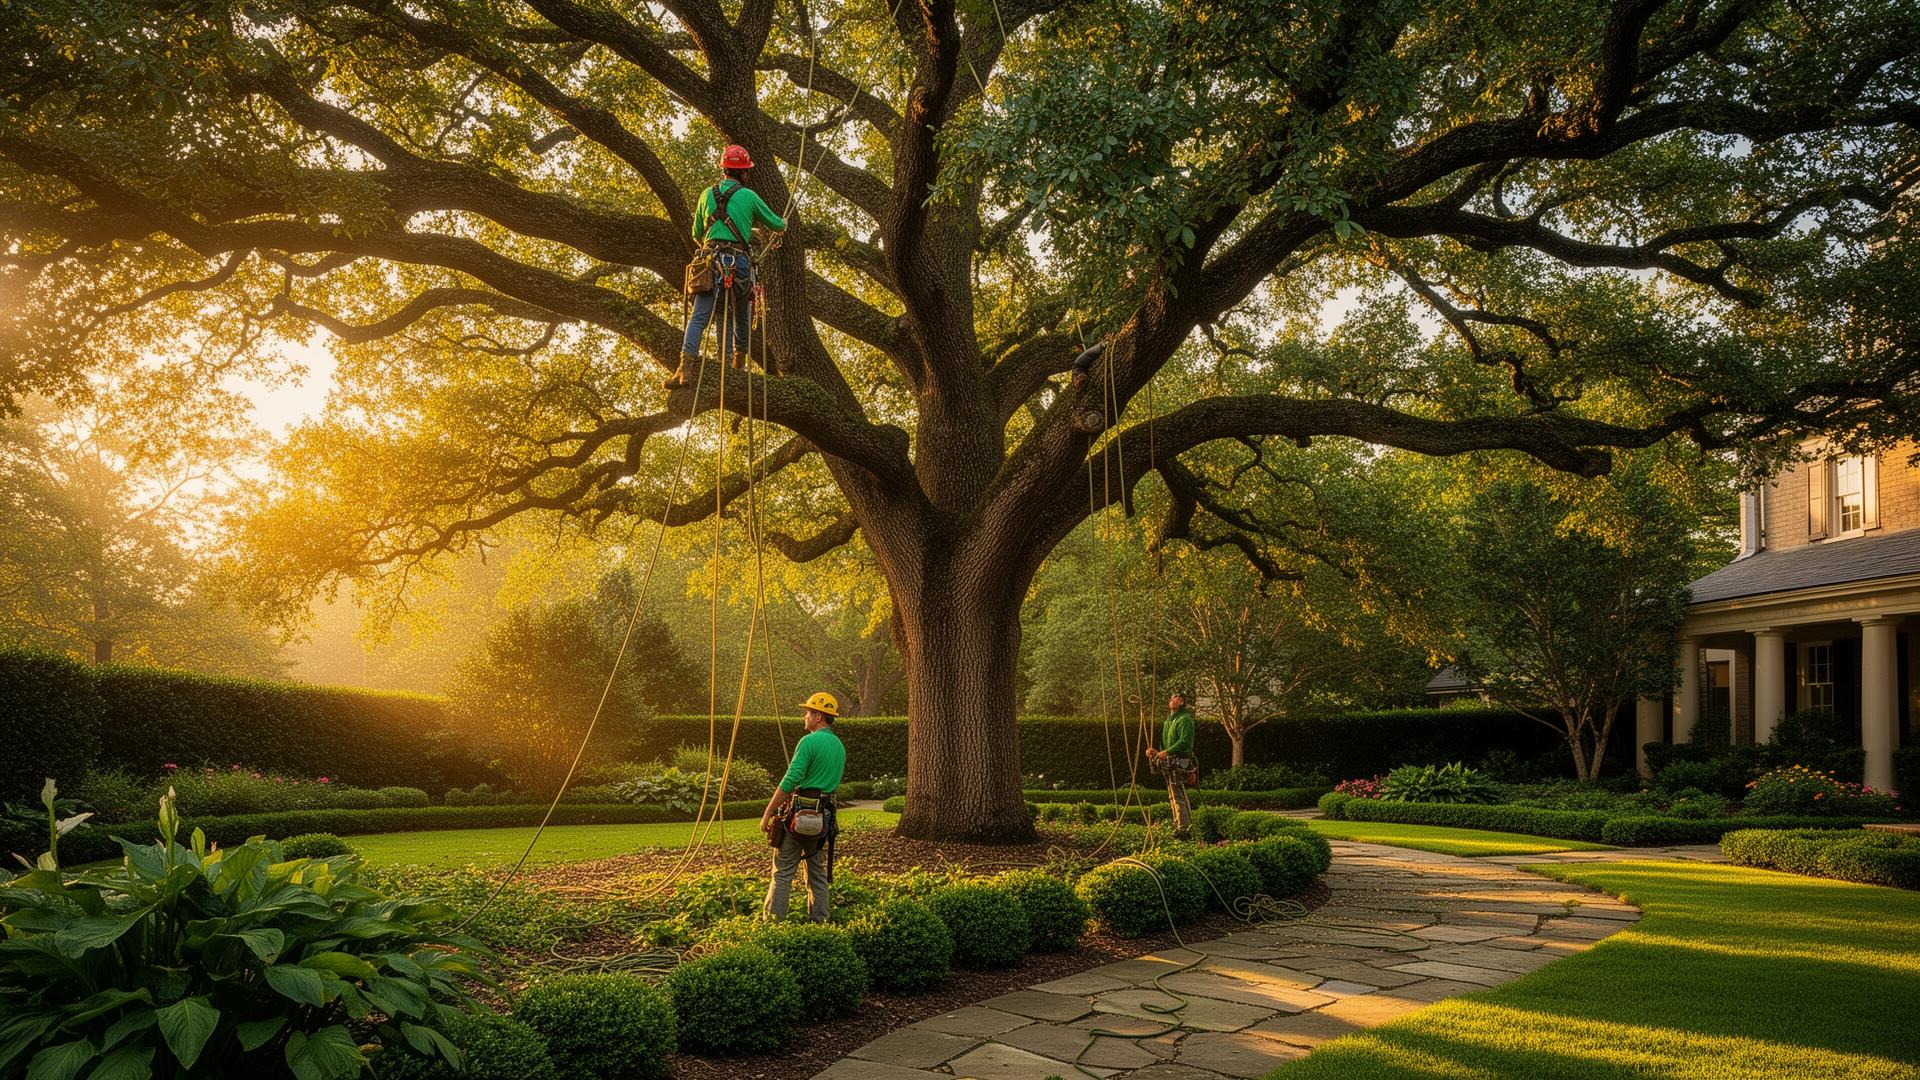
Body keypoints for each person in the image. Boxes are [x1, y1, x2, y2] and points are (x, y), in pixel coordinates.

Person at [668, 143, 788, 388]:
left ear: (724, 170)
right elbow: (777, 224)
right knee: (741, 313)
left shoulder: (706, 194)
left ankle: (685, 369)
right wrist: (782, 223)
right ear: (744, 173)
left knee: (699, 317)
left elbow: (696, 233)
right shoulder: (749, 196)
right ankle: (736, 366)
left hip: (709, 261)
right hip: (739, 263)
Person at [761, 691, 847, 921]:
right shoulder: (838, 745)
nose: (804, 716)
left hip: (800, 815)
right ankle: (821, 922)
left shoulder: (809, 742)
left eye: (807, 712)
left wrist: (768, 812)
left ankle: (772, 925)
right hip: (823, 818)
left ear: (818, 716)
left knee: (783, 871)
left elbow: (791, 780)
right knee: (816, 872)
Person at [1147, 691, 1196, 839]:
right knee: (1173, 794)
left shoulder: (1184, 719)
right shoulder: (1169, 720)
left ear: (1181, 702)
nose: (1171, 699)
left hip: (1180, 760)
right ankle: (1180, 826)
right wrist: (1156, 752)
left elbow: (1184, 742)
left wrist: (1166, 752)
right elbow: (1168, 746)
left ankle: (1184, 830)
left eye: (1174, 697)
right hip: (1171, 760)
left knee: (1178, 794)